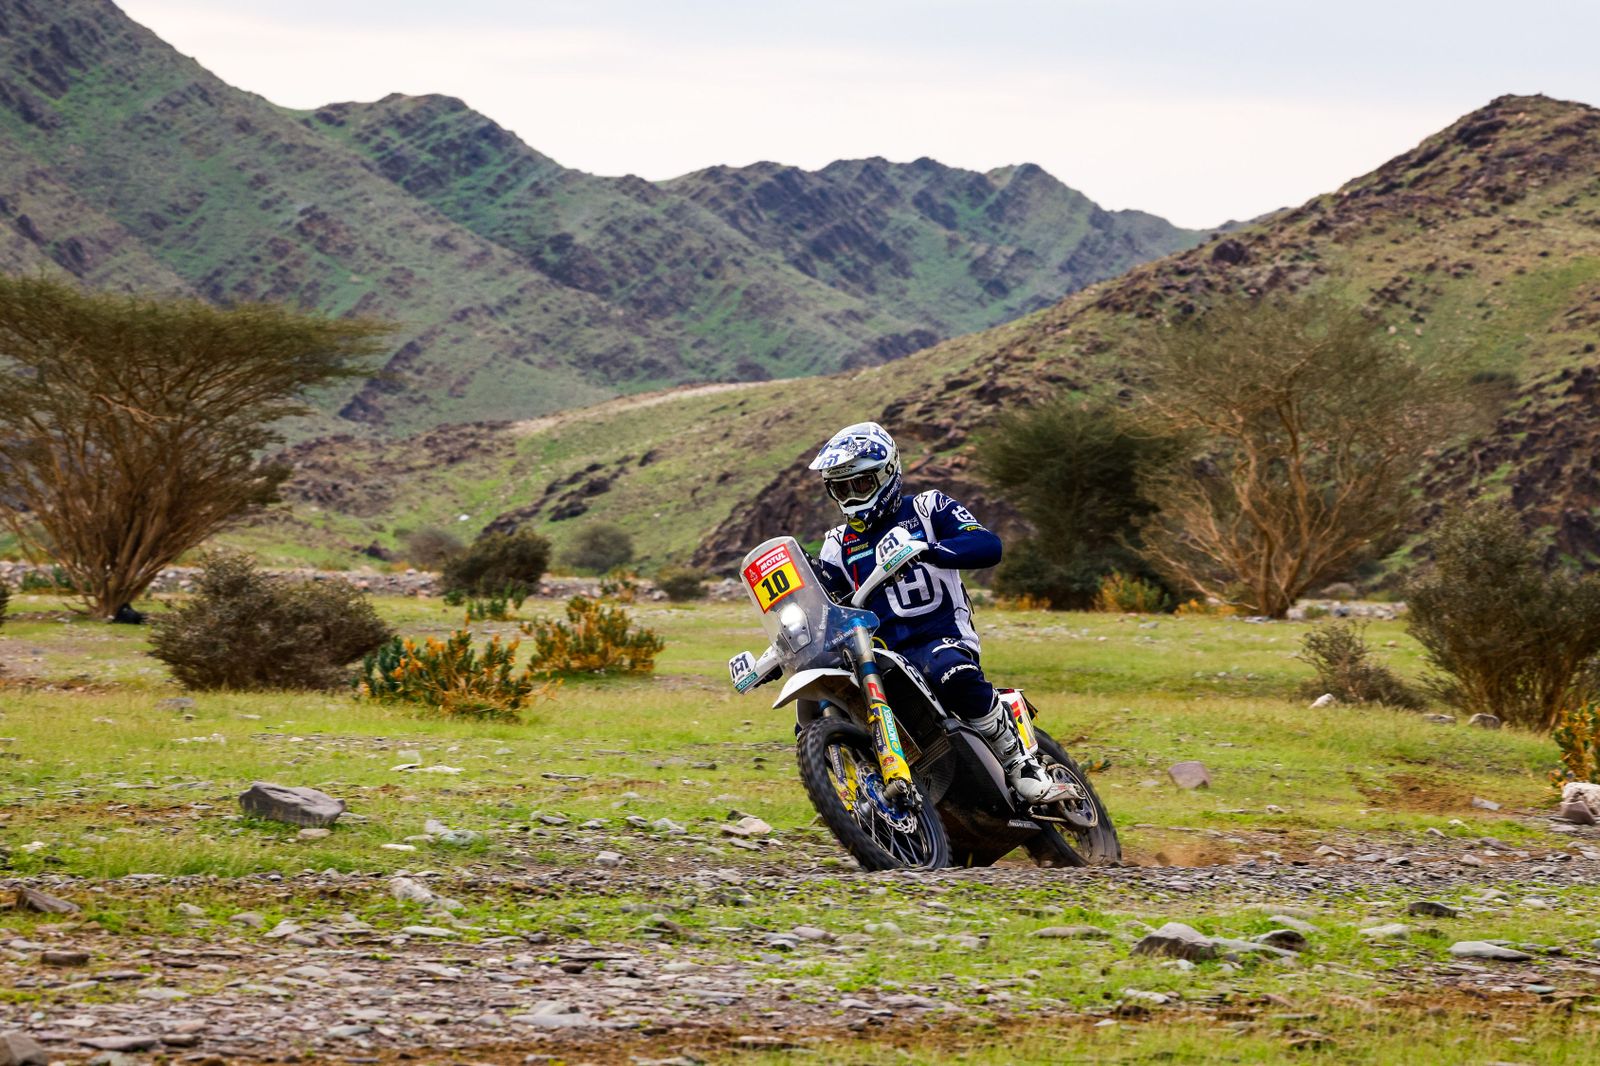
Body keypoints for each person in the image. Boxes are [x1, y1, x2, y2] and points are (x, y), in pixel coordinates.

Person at [807, 421, 1070, 804]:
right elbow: (827, 603)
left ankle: (1021, 764)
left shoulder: (928, 508)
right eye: (841, 488)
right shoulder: (836, 545)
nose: (851, 496)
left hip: (940, 636)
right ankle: (852, 799)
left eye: (860, 484)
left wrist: (927, 549)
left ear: (887, 473)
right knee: (823, 699)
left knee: (949, 672)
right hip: (879, 656)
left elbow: (988, 545)